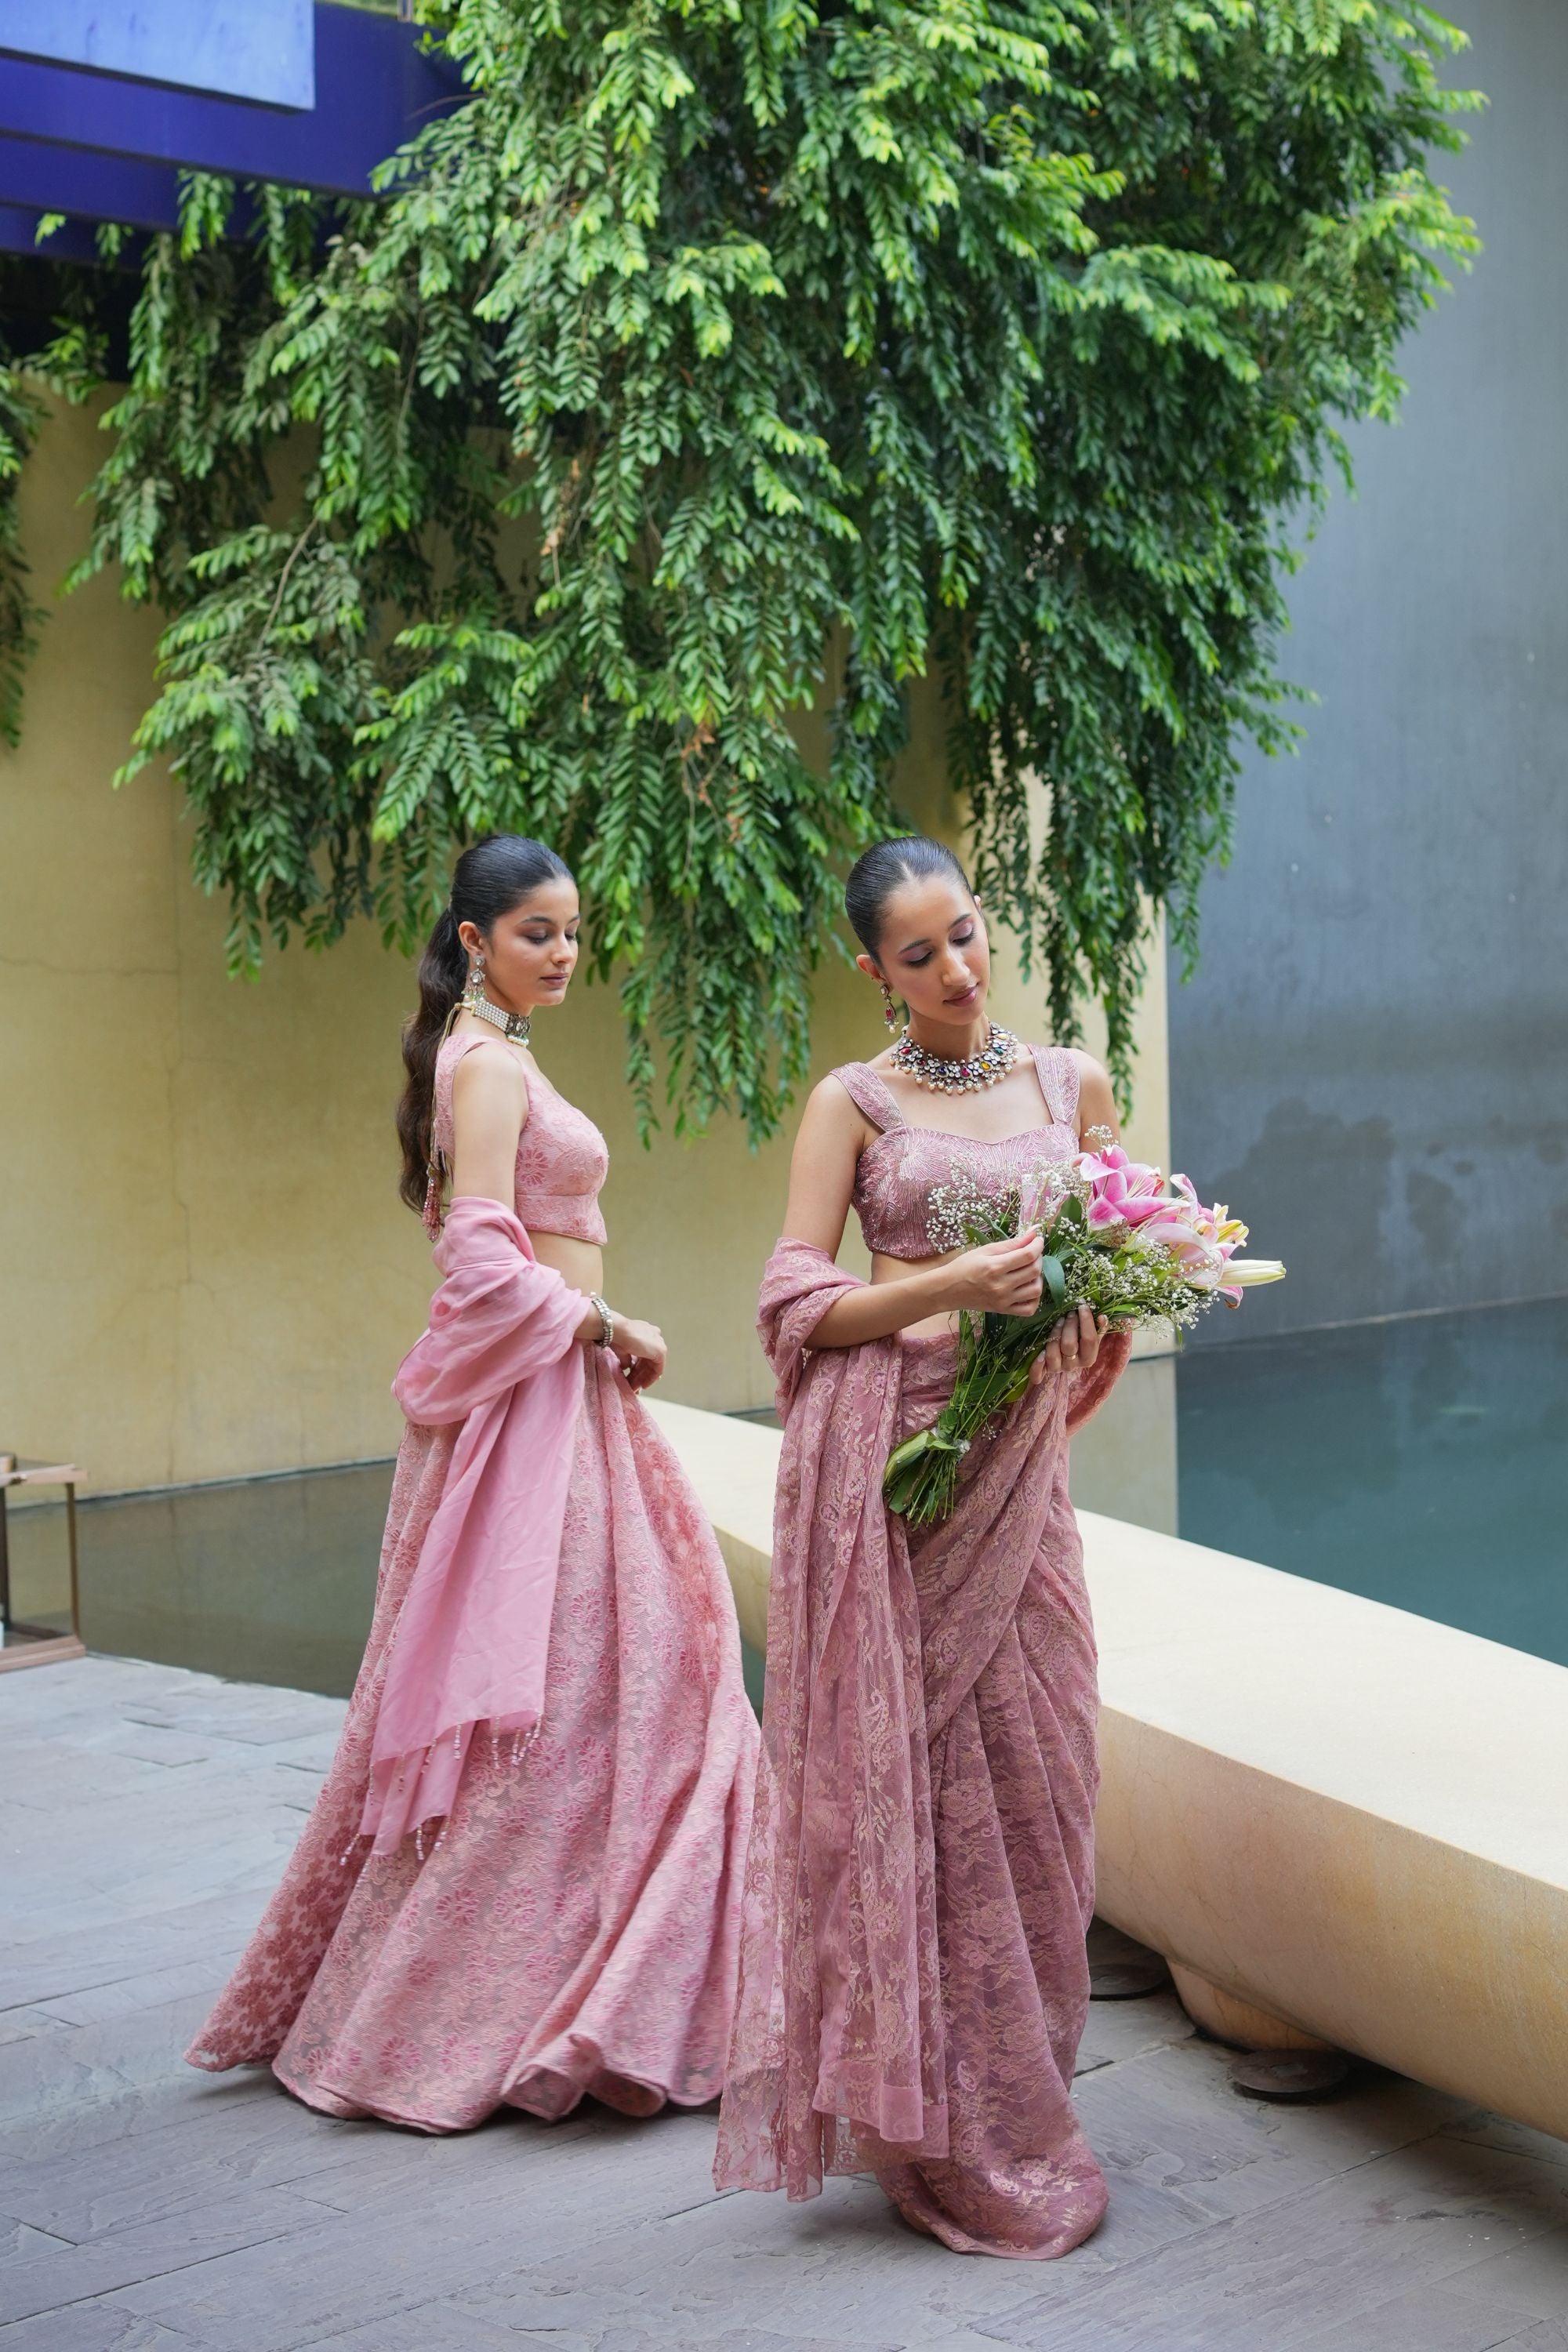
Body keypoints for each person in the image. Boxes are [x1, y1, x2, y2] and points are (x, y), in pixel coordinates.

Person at [188, 834, 759, 2132]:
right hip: (542, 1405)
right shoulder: (488, 1064)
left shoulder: (494, 1056)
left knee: (645, 1670)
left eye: (572, 931)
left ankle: (612, 1971)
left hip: (562, 1398)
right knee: (580, 1690)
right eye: (538, 933)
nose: (564, 952)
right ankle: (518, 1994)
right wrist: (613, 1327)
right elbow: (480, 1259)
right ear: (474, 940)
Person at [715, 833, 1130, 2257]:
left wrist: (1090, 1311)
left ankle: (1023, 2093)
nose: (957, 970)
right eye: (919, 954)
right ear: (873, 971)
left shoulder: (1071, 1081)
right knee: (918, 1788)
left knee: (1042, 1779)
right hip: (902, 1478)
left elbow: (1117, 1249)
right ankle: (938, 2122)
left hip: (1020, 1478)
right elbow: (789, 1298)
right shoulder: (853, 1101)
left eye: (967, 934)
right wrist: (949, 1286)